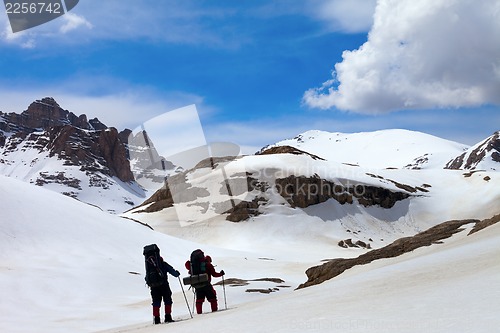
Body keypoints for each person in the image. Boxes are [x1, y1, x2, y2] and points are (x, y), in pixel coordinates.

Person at [143, 244, 180, 324]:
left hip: (153, 286)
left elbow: (146, 277)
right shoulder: (163, 264)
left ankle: (156, 319)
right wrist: (177, 273)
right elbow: (173, 272)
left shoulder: (149, 266)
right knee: (167, 300)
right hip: (164, 285)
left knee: (156, 302)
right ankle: (168, 317)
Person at [185, 250, 225, 314]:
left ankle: (199, 313)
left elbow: (188, 267)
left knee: (199, 300)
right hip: (206, 284)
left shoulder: (193, 265)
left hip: (197, 285)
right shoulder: (208, 265)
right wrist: (221, 274)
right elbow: (214, 274)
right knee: (212, 298)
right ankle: (215, 312)